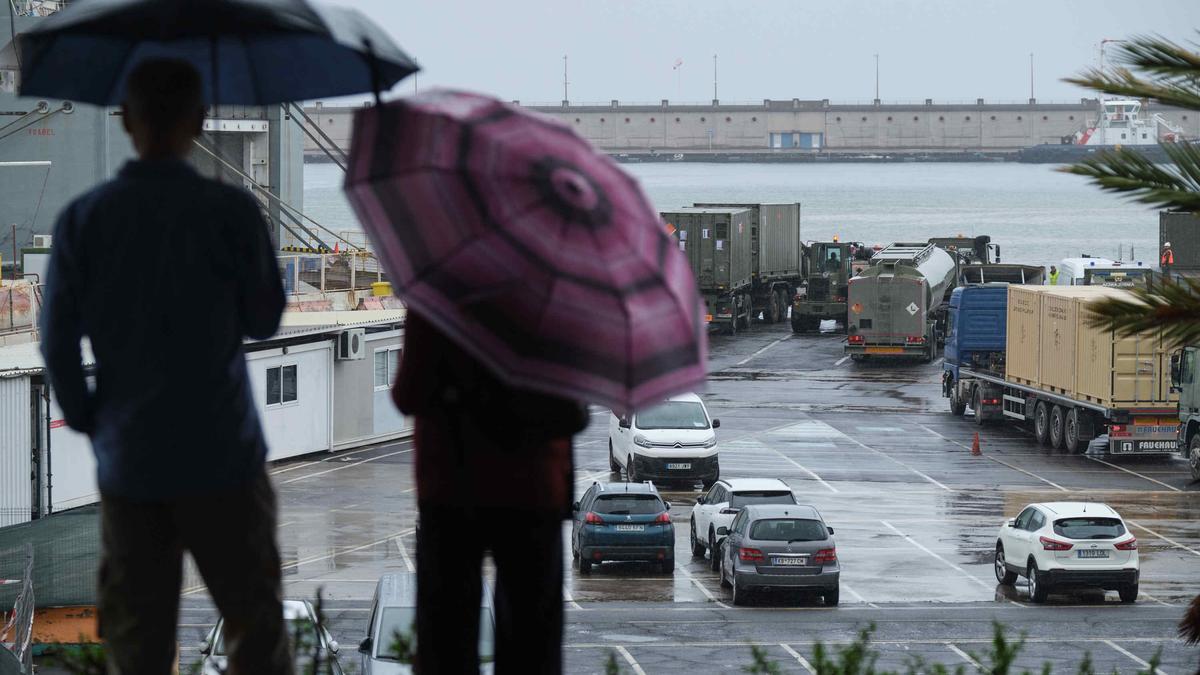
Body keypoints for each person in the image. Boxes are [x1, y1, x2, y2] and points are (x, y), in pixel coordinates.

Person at [40, 59, 290, 674]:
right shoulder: (231, 212)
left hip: (133, 463)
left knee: (138, 646)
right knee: (256, 635)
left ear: (125, 120)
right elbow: (263, 320)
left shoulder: (84, 219)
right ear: (199, 120)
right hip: (224, 455)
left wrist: (92, 419)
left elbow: (55, 341)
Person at [393, 311, 589, 674]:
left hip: (452, 487)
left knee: (445, 641)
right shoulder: (553, 303)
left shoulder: (439, 298)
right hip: (533, 492)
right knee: (532, 644)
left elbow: (408, 395)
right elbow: (572, 414)